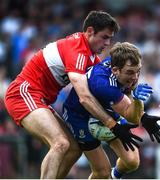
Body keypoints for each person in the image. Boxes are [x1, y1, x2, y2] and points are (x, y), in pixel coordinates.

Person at [4, 11, 121, 179]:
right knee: (60, 143)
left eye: (110, 38)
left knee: (73, 149)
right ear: (89, 31)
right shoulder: (78, 50)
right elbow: (85, 98)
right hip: (23, 93)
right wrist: (112, 123)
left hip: (40, 100)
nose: (108, 43)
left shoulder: (89, 55)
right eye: (104, 37)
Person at [61, 42, 160, 179]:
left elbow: (129, 102)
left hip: (105, 108)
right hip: (79, 116)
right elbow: (132, 116)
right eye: (130, 72)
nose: (135, 77)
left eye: (138, 71)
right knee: (102, 172)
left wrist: (143, 114)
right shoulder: (104, 85)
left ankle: (113, 177)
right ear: (115, 70)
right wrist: (138, 103)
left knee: (132, 161)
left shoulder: (120, 64)